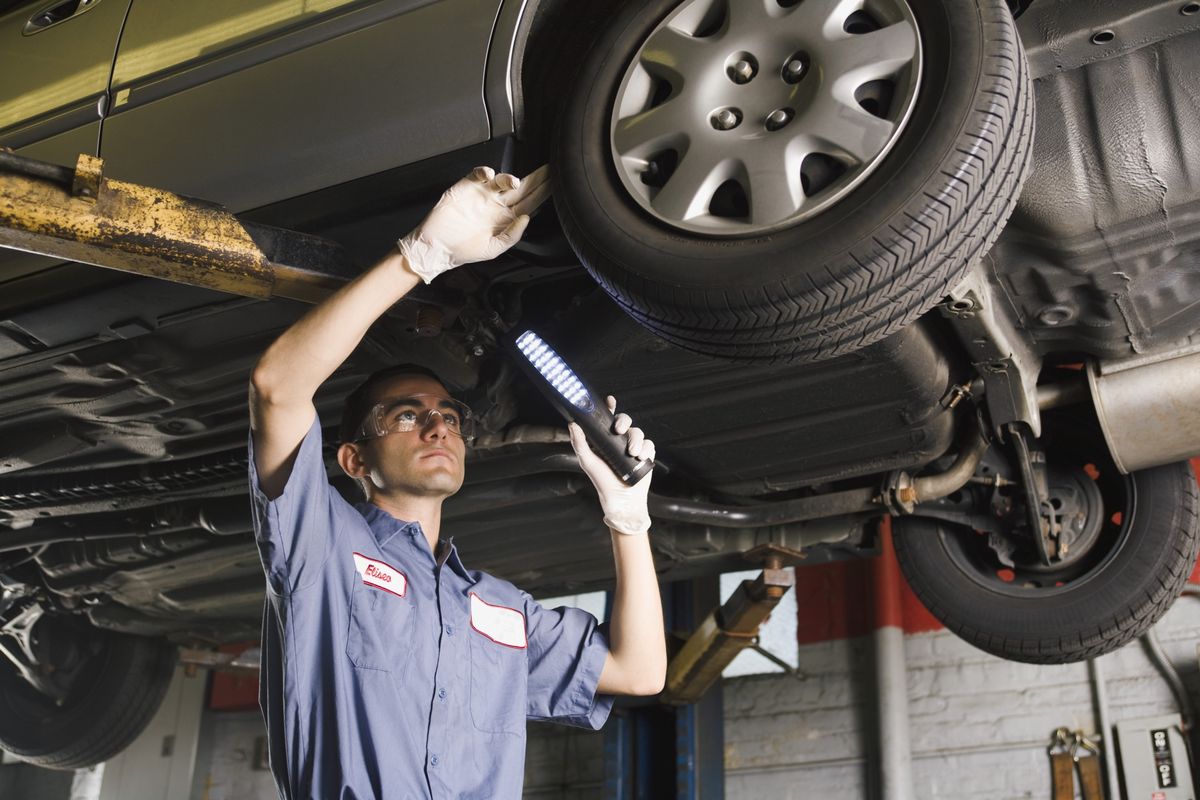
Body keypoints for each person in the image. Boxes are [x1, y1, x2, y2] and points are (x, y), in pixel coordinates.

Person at [247, 165, 667, 799]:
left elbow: (639, 672)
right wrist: (422, 256)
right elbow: (277, 389)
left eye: (447, 415)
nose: (437, 427)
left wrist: (628, 518)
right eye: (407, 415)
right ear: (355, 461)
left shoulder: (496, 610)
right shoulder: (324, 548)